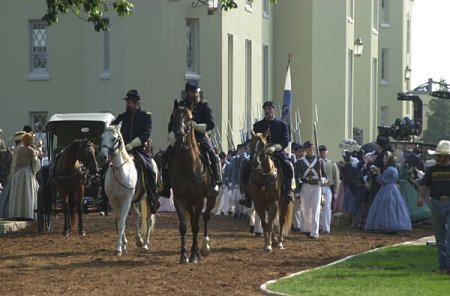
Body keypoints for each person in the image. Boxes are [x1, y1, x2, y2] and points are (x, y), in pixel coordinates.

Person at [159, 80, 222, 197]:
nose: (196, 94)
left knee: (212, 154)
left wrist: (197, 126)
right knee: (166, 156)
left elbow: (211, 124)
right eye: (193, 92)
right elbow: (171, 123)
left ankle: (216, 182)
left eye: (197, 92)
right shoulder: (180, 105)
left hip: (200, 135)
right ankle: (166, 185)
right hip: (182, 136)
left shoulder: (205, 105)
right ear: (188, 92)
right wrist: (172, 134)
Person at [110, 89, 160, 213]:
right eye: (127, 102)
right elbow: (113, 128)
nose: (127, 104)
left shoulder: (145, 116)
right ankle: (105, 199)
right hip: (122, 151)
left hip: (138, 150)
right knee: (106, 169)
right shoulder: (122, 117)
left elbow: (146, 134)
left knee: (149, 169)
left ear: (137, 103)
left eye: (130, 102)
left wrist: (132, 144)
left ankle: (153, 198)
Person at [240, 101, 294, 206]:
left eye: (270, 109)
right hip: (260, 151)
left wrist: (274, 147)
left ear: (274, 110)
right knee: (246, 167)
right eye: (266, 109)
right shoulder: (258, 125)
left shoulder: (282, 124)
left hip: (276, 151)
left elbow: (285, 141)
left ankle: (287, 191)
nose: (267, 111)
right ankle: (246, 194)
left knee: (287, 165)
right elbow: (253, 140)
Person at [417, 140, 450, 274]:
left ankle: (448, 263)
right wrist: (420, 196)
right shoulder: (432, 170)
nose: (436, 158)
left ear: (447, 156)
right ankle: (443, 264)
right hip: (436, 203)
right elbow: (425, 185)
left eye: (439, 155)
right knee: (440, 235)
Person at [364, 151, 412, 233]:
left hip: (387, 189)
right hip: (394, 189)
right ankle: (394, 225)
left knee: (386, 207)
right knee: (394, 207)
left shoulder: (389, 169)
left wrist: (378, 172)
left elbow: (382, 180)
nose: (383, 159)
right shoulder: (395, 168)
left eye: (385, 158)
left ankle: (386, 225)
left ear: (388, 159)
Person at [296, 140, 327, 239]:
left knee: (315, 209)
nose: (309, 150)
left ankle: (314, 232)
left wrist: (323, 180)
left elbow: (325, 176)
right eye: (307, 149)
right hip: (305, 186)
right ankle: (308, 229)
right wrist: (297, 191)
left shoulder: (320, 161)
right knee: (305, 210)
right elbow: (297, 177)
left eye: (310, 149)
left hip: (316, 187)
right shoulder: (300, 162)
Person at [8, 133, 41, 220]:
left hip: (18, 174)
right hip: (27, 174)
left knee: (18, 194)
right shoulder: (31, 150)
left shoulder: (19, 150)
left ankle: (17, 213)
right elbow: (35, 166)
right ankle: (27, 214)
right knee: (27, 193)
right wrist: (37, 157)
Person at [318, 144, 340, 234]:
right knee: (317, 208)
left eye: (324, 152)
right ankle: (319, 226)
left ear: (327, 152)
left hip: (327, 187)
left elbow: (336, 178)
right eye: (321, 152)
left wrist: (335, 191)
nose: (323, 153)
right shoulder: (316, 163)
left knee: (326, 208)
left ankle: (326, 227)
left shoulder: (332, 164)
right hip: (317, 187)